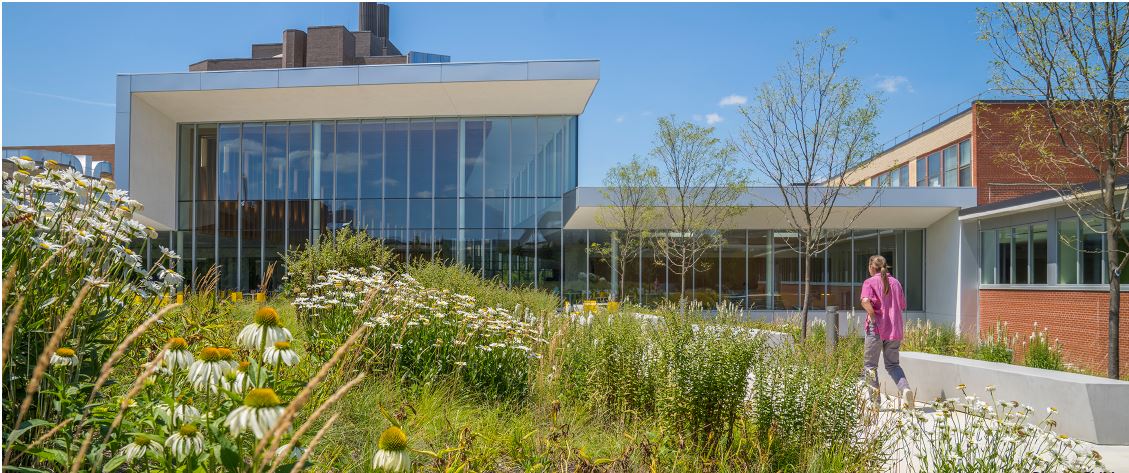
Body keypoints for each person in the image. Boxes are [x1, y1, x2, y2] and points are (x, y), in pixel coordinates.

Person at [859, 254, 913, 409]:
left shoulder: (869, 282)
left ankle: (875, 403)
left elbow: (864, 301)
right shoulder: (896, 283)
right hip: (894, 330)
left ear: (871, 267)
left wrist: (873, 315)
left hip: (875, 329)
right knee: (893, 365)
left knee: (870, 366)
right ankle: (906, 389)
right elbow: (902, 305)